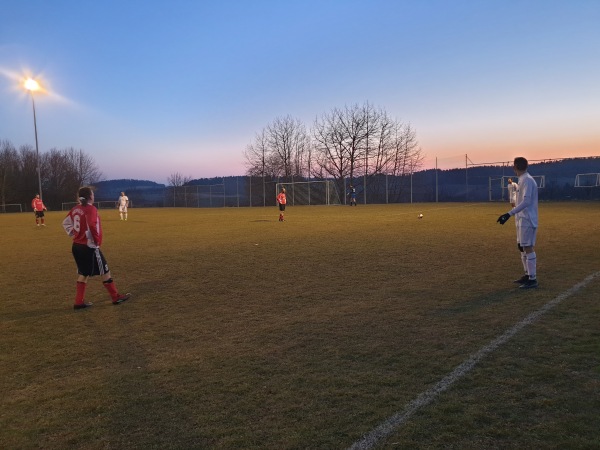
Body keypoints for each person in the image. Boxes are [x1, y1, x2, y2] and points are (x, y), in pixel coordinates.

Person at [62, 186, 131, 309]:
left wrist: (75, 233)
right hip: (89, 247)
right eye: (92, 194)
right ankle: (115, 297)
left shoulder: (75, 209)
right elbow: (92, 225)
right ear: (90, 197)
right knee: (105, 271)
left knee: (84, 273)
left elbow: (66, 222)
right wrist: (97, 241)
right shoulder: (91, 209)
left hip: (76, 246)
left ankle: (78, 302)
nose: (94, 196)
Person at [497, 157, 539, 289]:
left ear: (516, 166)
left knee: (527, 247)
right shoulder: (522, 180)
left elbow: (526, 202)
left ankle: (532, 279)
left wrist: (509, 214)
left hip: (527, 219)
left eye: (513, 166)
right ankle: (527, 275)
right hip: (521, 219)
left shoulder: (527, 180)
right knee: (522, 247)